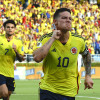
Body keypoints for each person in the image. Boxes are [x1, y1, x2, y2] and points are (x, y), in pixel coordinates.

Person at [33, 8, 94, 100]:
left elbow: (87, 55)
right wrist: (53, 38)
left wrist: (88, 76)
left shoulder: (79, 41)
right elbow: (37, 58)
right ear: (55, 22)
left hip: (69, 91)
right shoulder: (46, 39)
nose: (68, 20)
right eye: (64, 18)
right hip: (48, 90)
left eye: (70, 18)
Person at [0, 20, 24, 100]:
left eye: (12, 27)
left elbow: (21, 59)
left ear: (15, 29)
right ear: (4, 28)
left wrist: (16, 51)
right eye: (8, 27)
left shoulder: (18, 42)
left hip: (10, 73)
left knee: (6, 97)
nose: (10, 29)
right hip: (0, 72)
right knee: (4, 93)